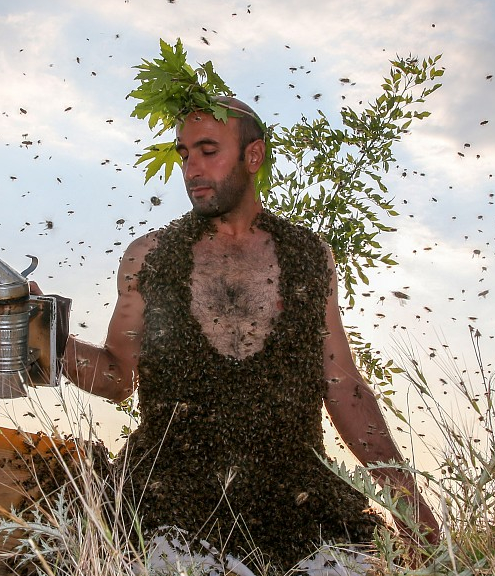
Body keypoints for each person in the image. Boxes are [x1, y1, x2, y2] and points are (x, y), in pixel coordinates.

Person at [40, 96, 440, 573]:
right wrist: (43, 337)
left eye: (209, 150)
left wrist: (409, 502)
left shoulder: (310, 256)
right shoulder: (148, 257)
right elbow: (116, 377)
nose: (192, 168)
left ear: (254, 156)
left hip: (296, 496)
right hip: (170, 496)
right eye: (184, 153)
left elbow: (343, 387)